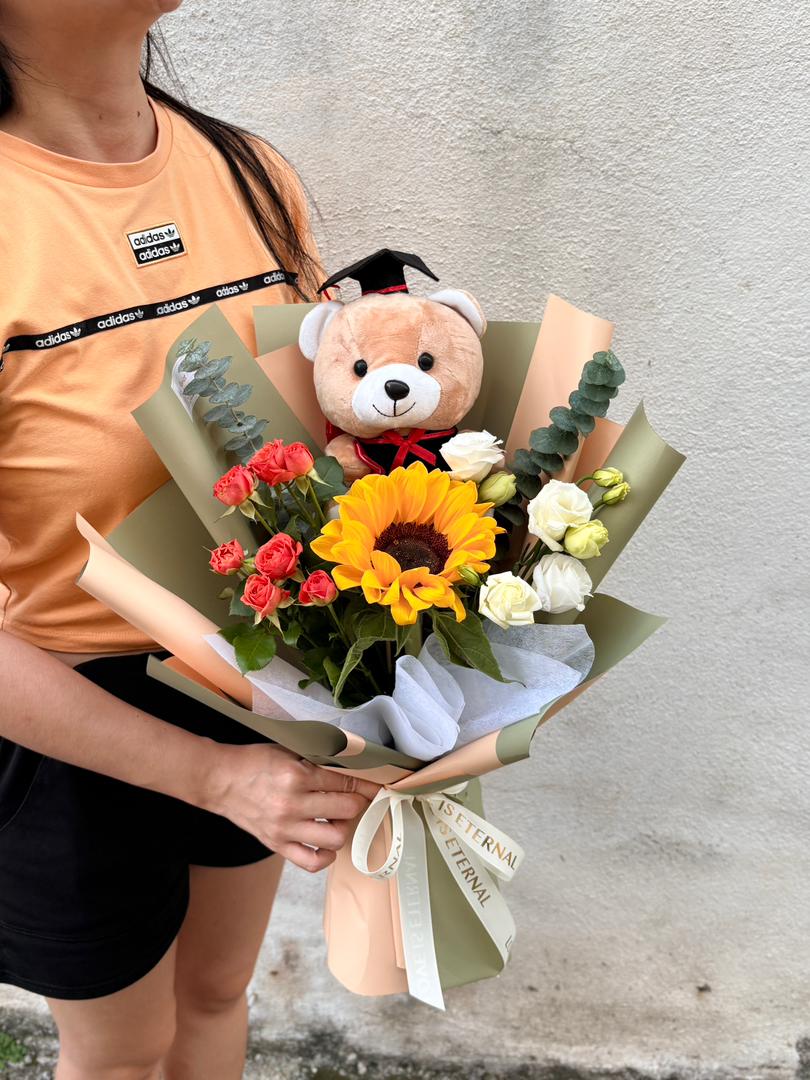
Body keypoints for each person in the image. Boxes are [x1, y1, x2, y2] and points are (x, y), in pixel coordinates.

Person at [0, 2, 377, 1077]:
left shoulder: (246, 170)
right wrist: (211, 778)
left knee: (215, 997)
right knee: (122, 1053)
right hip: (69, 720)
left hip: (255, 669)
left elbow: (313, 446)